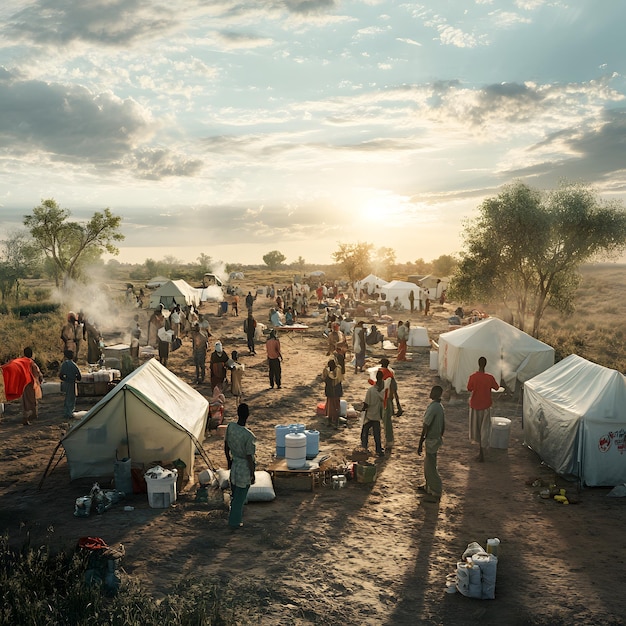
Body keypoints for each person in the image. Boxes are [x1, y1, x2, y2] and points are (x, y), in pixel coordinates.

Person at [224, 403, 256, 530]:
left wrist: (229, 461)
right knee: (240, 497)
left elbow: (226, 446)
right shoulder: (249, 436)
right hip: (243, 468)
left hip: (235, 465)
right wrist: (252, 473)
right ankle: (234, 522)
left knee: (235, 494)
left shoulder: (230, 427)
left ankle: (235, 517)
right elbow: (250, 457)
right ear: (248, 415)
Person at [467, 356, 500, 462]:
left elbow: (469, 388)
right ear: (485, 364)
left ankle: (481, 453)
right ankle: (482, 452)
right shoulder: (489, 378)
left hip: (475, 405)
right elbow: (497, 387)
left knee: (476, 429)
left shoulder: (473, 377)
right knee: (484, 429)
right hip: (486, 406)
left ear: (478, 364)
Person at [417, 385, 445, 503]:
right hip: (436, 438)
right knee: (429, 464)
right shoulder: (439, 407)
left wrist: (420, 441)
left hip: (431, 439)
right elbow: (443, 426)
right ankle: (428, 487)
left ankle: (436, 490)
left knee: (431, 466)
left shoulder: (433, 407)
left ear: (436, 394)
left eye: (433, 391)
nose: (430, 393)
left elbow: (426, 425)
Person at [361, 370, 385, 456]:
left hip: (370, 415)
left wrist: (362, 410)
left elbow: (366, 403)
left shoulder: (371, 390)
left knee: (365, 430)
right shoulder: (382, 389)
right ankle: (378, 449)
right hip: (377, 414)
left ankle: (364, 446)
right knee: (377, 433)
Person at [21, 347, 43, 425]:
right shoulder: (31, 363)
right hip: (31, 384)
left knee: (25, 401)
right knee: (32, 401)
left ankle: (26, 417)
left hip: (24, 384)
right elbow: (38, 372)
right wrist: (40, 380)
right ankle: (31, 416)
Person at [59, 349, 81, 419]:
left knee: (67, 398)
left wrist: (65, 379)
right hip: (72, 383)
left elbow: (61, 375)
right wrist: (75, 378)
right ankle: (70, 412)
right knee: (72, 398)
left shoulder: (64, 364)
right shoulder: (74, 365)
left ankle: (66, 412)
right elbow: (79, 376)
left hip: (66, 383)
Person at [322, 359, 343, 429]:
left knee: (332, 408)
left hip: (333, 393)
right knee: (333, 408)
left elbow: (327, 378)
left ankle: (333, 422)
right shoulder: (338, 371)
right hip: (334, 393)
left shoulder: (334, 373)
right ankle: (333, 422)